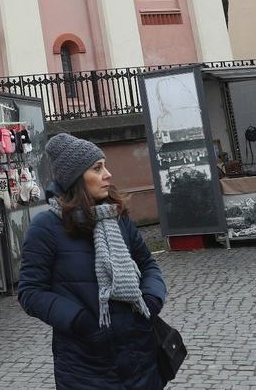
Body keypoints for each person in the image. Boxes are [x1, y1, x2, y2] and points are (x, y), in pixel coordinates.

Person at [18, 133, 167, 390]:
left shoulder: (116, 216)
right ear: (76, 178)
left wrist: (152, 301)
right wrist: (81, 322)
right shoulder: (46, 227)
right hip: (85, 365)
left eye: (105, 166)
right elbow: (30, 292)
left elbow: (148, 265)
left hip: (139, 356)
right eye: (97, 168)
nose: (108, 174)